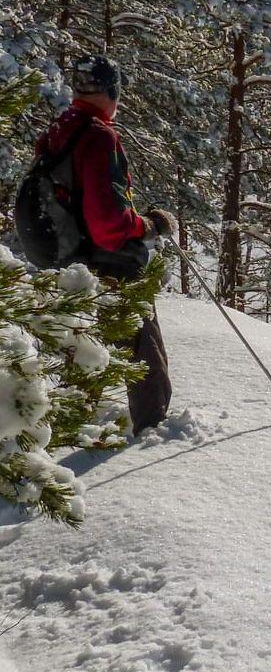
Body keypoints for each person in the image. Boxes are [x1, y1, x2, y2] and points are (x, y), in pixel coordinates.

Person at [35, 54, 177, 435]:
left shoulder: (62, 130)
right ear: (112, 91)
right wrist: (148, 225)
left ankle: (68, 426)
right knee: (143, 350)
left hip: (72, 259)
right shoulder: (98, 136)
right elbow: (109, 226)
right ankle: (154, 432)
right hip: (108, 261)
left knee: (83, 349)